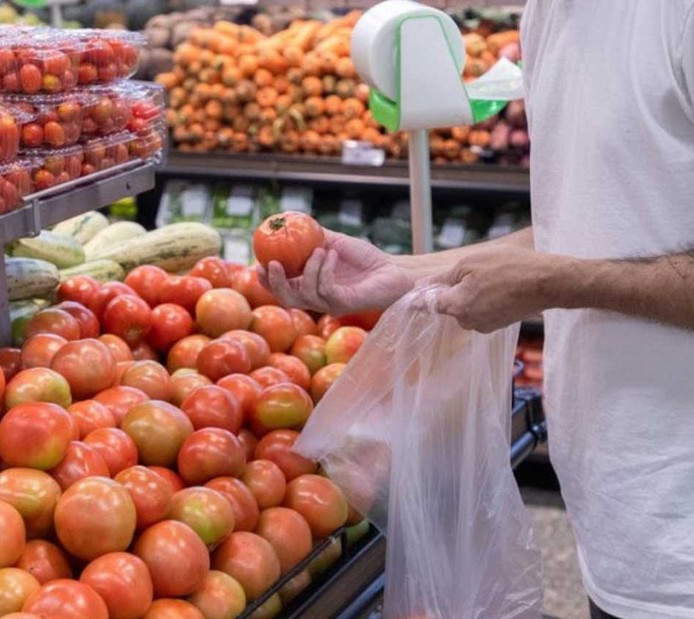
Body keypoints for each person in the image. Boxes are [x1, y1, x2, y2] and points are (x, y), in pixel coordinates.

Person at [258, 2, 694, 618]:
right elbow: (584, 226)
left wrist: (556, 282)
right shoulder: (549, 15)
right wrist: (401, 274)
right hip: (623, 520)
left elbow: (572, 263)